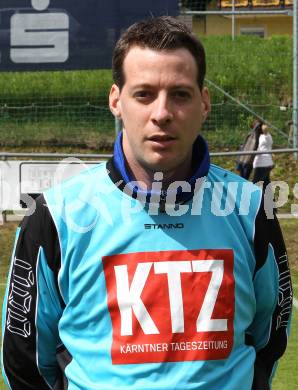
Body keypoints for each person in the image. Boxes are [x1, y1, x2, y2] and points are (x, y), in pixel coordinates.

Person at [2, 16, 292, 390]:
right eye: (144, 94)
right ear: (116, 101)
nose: (162, 113)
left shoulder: (252, 210)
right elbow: (24, 361)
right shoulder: (56, 216)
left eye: (180, 94)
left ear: (204, 103)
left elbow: (269, 337)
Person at [252, 124, 274, 191]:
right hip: (260, 164)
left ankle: (257, 200)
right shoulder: (256, 136)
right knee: (265, 184)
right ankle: (269, 201)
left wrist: (265, 132)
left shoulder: (265, 136)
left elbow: (268, 141)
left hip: (263, 164)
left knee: (256, 184)